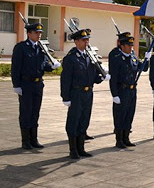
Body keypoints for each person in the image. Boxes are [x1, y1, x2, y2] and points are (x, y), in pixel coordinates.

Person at [60, 28, 107, 158]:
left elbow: (92, 77)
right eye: (84, 40)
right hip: (76, 93)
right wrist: (66, 97)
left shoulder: (88, 56)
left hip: (88, 93)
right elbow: (65, 79)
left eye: (87, 40)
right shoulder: (70, 58)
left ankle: (81, 148)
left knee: (84, 120)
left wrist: (101, 77)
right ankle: (73, 149)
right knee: (74, 121)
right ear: (76, 42)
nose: (86, 42)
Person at [12, 22, 59, 150]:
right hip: (25, 84)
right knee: (26, 112)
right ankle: (25, 140)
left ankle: (34, 139)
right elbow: (15, 68)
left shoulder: (41, 48)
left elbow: (43, 66)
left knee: (35, 112)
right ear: (29, 34)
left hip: (38, 84)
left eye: (40, 33)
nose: (39, 35)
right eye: (36, 33)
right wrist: (16, 85)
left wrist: (52, 67)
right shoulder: (21, 47)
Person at [109, 34, 147, 148]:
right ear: (122, 45)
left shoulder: (133, 57)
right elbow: (113, 78)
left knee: (129, 114)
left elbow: (143, 68)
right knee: (120, 115)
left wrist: (147, 59)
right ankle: (119, 140)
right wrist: (114, 94)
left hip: (132, 90)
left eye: (131, 45)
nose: (130, 47)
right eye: (128, 45)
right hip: (122, 90)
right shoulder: (117, 59)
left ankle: (126, 138)